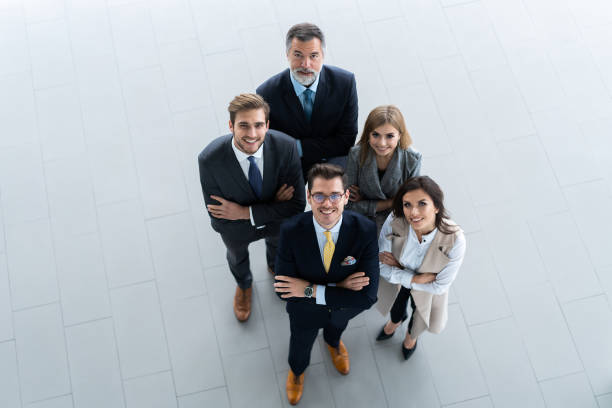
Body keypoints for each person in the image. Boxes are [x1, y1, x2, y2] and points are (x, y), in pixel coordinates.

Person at [273, 164, 379, 405]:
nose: (327, 204)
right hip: (305, 313)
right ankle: (297, 372)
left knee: (336, 329)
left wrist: (309, 289)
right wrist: (341, 288)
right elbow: (284, 290)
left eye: (334, 195)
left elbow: (367, 297)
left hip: (344, 310)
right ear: (309, 197)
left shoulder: (365, 230)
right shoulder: (291, 231)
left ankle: (332, 343)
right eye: (319, 195)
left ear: (346, 196)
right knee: (300, 345)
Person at [198, 93, 305, 322]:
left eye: (258, 125)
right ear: (231, 126)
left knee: (278, 245)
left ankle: (275, 268)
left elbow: (297, 205)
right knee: (237, 257)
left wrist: (243, 212)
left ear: (267, 125)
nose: (252, 134)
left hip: (275, 224)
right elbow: (219, 218)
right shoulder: (210, 160)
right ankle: (244, 285)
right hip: (237, 231)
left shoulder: (286, 147)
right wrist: (275, 203)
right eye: (243, 125)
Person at [375, 176, 466, 360]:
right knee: (397, 303)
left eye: (422, 203)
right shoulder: (395, 218)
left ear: (437, 206)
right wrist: (415, 278)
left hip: (425, 290)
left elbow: (439, 286)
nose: (413, 212)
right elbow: (380, 264)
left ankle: (411, 337)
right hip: (409, 281)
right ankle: (395, 321)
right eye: (407, 204)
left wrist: (398, 268)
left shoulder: (455, 240)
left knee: (421, 314)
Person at [256, 22, 358, 174]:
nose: (306, 64)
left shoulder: (344, 83)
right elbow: (273, 146)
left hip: (333, 158)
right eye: (298, 55)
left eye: (313, 56)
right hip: (292, 164)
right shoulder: (267, 93)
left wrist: (299, 147)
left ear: (322, 56)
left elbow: (346, 141)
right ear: (287, 54)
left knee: (338, 192)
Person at [345, 105, 422, 233]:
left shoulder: (412, 159)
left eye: (389, 136)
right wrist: (391, 202)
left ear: (399, 135)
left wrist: (364, 200)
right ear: (368, 134)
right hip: (361, 221)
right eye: (376, 135)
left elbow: (410, 205)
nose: (382, 143)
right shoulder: (356, 154)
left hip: (398, 222)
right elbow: (348, 205)